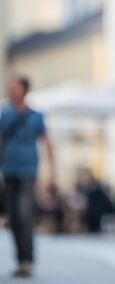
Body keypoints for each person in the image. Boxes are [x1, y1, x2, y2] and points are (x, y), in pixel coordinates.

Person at [0, 75, 55, 277]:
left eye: (14, 86)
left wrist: (52, 171)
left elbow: (47, 142)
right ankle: (21, 259)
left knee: (24, 213)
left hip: (28, 171)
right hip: (9, 170)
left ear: (24, 89)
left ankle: (28, 260)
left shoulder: (35, 115)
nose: (10, 89)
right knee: (13, 217)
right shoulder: (5, 114)